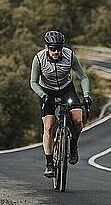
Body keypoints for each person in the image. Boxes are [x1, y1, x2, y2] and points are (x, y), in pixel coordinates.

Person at [30, 30, 92, 177]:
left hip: (66, 90)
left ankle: (73, 146)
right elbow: (33, 82)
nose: (56, 51)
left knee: (78, 121)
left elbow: (83, 76)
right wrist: (43, 95)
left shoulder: (69, 56)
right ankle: (49, 163)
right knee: (49, 126)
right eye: (53, 48)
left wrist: (87, 95)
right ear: (46, 47)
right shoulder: (39, 59)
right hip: (46, 92)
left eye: (59, 48)